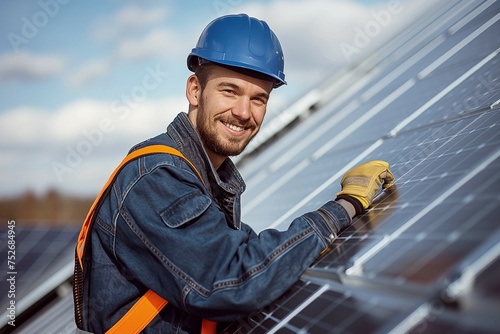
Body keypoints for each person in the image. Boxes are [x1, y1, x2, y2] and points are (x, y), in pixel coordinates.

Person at [74, 13, 394, 334]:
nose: (243, 112)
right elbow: (230, 281)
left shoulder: (202, 174)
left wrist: (310, 246)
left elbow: (245, 256)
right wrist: (345, 206)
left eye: (259, 99)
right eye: (229, 91)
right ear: (195, 90)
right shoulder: (158, 178)